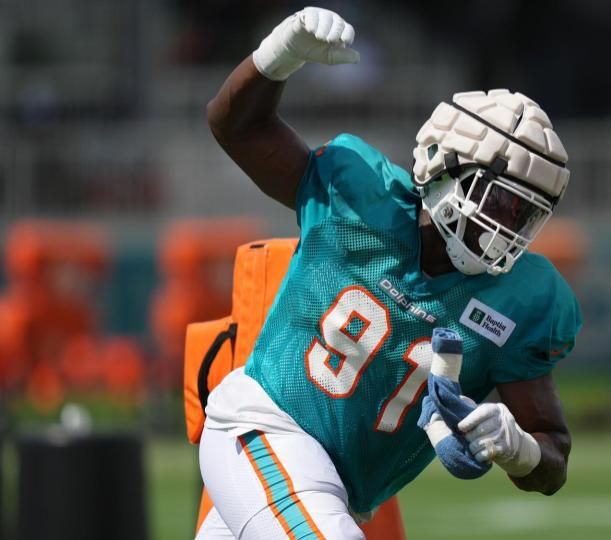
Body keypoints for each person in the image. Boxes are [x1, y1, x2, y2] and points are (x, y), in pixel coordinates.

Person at [197, 6, 582, 539]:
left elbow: (552, 454)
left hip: (337, 492)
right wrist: (274, 59)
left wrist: (517, 450)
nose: (505, 226)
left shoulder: (521, 298)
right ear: (442, 167)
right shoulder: (358, 199)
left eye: (524, 214)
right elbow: (233, 125)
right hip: (265, 427)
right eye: (498, 202)